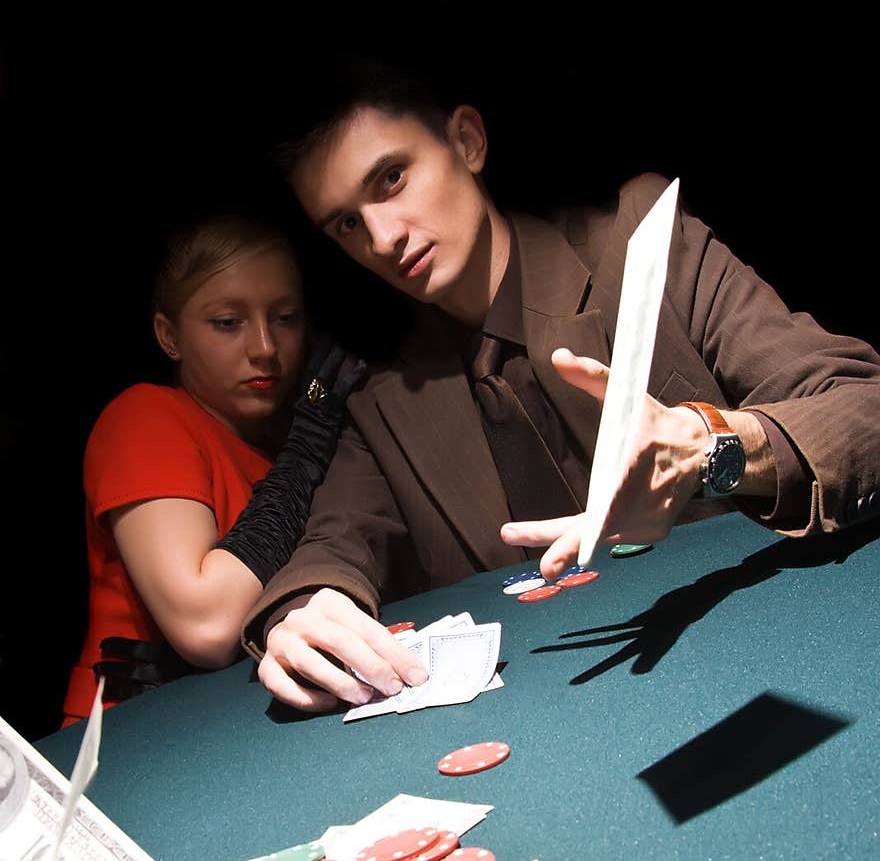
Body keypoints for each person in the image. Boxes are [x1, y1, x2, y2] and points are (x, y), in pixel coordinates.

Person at [241, 57, 880, 715]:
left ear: (467, 141)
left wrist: (713, 446)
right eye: (346, 223)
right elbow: (331, 549)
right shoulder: (386, 396)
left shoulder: (641, 246)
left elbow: (865, 410)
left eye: (392, 179)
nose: (382, 237)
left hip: (783, 672)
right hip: (566, 730)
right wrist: (302, 613)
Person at [63, 211, 363, 724]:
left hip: (230, 729)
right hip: (132, 749)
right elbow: (207, 626)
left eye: (285, 317)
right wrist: (310, 445)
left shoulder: (274, 448)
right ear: (169, 335)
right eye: (228, 323)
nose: (265, 348)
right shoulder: (145, 416)